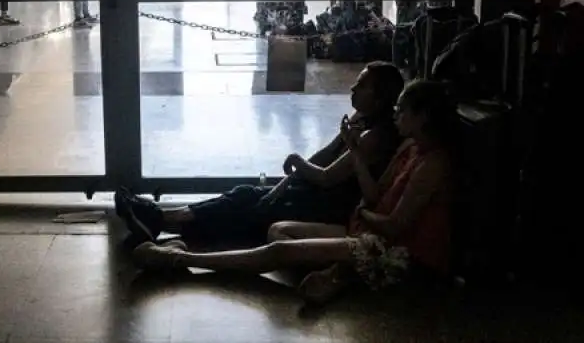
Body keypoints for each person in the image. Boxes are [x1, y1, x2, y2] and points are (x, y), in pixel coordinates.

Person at [132, 80, 456, 304]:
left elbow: (395, 225)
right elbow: (374, 196)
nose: (397, 115)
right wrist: (355, 155)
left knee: (277, 252)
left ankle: (179, 259)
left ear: (423, 117)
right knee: (278, 231)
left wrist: (364, 214)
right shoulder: (410, 147)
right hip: (368, 229)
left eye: (404, 110)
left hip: (396, 252)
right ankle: (338, 275)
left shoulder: (433, 163)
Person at [115, 62, 406, 247]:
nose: (353, 87)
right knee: (247, 196)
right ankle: (161, 219)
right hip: (312, 191)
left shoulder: (374, 137)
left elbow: (328, 178)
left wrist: (296, 161)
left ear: (379, 97)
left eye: (362, 85)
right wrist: (285, 182)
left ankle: (160, 220)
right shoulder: (359, 119)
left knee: (247, 203)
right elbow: (325, 155)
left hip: (327, 205)